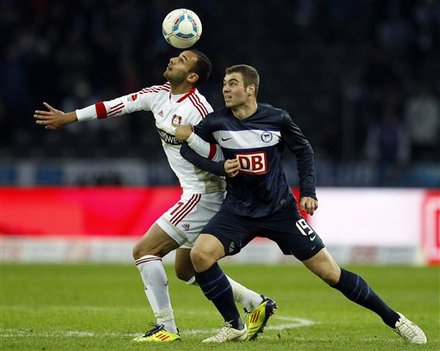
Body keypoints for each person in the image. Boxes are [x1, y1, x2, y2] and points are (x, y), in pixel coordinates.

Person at [33, 51, 276, 342]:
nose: (173, 60)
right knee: (186, 270)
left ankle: (167, 328)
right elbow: (114, 106)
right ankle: (254, 302)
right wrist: (69, 118)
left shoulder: (200, 110)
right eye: (176, 56)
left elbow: (220, 155)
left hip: (205, 193)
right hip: (193, 192)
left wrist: (188, 136)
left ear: (192, 77)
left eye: (182, 60)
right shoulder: (156, 94)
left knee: (143, 251)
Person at [174, 64, 427, 344]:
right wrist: (220, 168)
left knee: (331, 274)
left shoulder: (277, 119)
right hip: (238, 210)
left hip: (280, 210)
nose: (225, 89)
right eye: (224, 83)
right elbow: (186, 147)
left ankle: (396, 320)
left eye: (232, 83)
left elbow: (303, 150)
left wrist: (308, 192)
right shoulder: (216, 121)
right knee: (200, 255)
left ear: (250, 89)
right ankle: (234, 324)